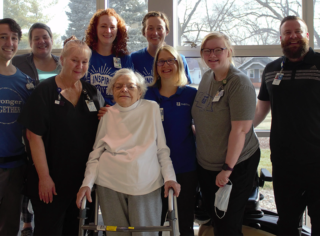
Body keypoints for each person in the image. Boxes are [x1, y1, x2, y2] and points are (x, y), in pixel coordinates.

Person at [76, 68, 180, 236]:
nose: (124, 89)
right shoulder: (108, 114)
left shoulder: (151, 108)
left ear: (140, 92)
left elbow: (161, 149)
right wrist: (86, 183)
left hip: (146, 185)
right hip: (109, 185)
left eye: (130, 86)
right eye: (118, 86)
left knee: (146, 234)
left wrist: (170, 178)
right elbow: (96, 154)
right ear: (112, 91)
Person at [18, 37, 105, 236]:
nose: (79, 66)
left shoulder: (92, 94)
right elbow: (34, 136)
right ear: (62, 60)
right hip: (51, 182)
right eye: (75, 60)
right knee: (49, 230)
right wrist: (44, 177)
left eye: (84, 62)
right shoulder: (44, 92)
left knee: (77, 231)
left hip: (82, 183)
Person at [253, 16, 320, 236]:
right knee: (287, 224)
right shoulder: (271, 69)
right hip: (284, 162)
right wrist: (239, 130)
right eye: (287, 33)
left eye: (298, 32)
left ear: (307, 35)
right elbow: (261, 109)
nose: (293, 36)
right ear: (281, 38)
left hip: (317, 161)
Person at [192, 32, 260, 236]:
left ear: (229, 51)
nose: (212, 54)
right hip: (206, 165)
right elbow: (204, 118)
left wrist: (227, 169)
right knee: (215, 220)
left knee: (227, 226)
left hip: (234, 166)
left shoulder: (239, 83)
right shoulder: (207, 77)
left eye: (218, 49)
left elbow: (240, 130)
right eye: (207, 50)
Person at [13, 22, 60, 236]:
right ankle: (26, 222)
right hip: (29, 128)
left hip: (57, 131)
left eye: (45, 37)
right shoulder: (19, 63)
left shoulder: (63, 64)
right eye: (36, 38)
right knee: (28, 175)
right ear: (30, 43)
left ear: (51, 39)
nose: (42, 41)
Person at [144, 45, 197, 236]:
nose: (165, 65)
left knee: (184, 224)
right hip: (153, 168)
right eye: (161, 61)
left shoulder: (191, 94)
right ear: (156, 66)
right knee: (154, 223)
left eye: (170, 60)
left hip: (185, 167)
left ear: (179, 64)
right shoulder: (145, 95)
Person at [0, 18, 34, 236]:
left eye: (14, 38)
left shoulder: (27, 83)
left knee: (9, 226)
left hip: (14, 167)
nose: (9, 43)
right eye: (3, 37)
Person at [85, 8, 133, 105]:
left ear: (118, 30)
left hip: (116, 115)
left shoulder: (124, 59)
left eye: (112, 27)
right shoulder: (85, 55)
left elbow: (131, 92)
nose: (108, 31)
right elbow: (76, 88)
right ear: (95, 29)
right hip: (87, 113)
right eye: (103, 26)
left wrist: (114, 110)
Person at [131, 11, 192, 85]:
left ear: (167, 31)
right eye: (150, 28)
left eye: (159, 28)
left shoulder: (179, 59)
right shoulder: (134, 59)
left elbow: (187, 89)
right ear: (144, 32)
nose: (155, 33)